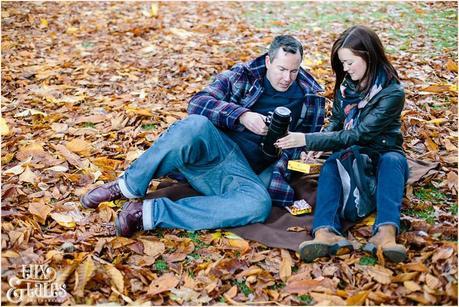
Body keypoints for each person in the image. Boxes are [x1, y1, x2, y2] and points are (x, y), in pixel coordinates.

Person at [80, 35, 325, 237]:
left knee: (257, 205)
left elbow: (304, 148)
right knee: (194, 125)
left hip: (241, 173)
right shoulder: (244, 74)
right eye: (282, 69)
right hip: (212, 147)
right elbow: (198, 103)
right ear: (269, 61)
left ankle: (146, 213)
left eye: (294, 71)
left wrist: (300, 148)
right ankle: (126, 186)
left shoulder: (309, 97)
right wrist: (242, 116)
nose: (287, 78)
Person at [276, 26, 409, 263]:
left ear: (367, 55)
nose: (345, 69)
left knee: (393, 161)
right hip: (353, 153)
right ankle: (324, 233)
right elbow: (337, 121)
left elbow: (359, 134)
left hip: (382, 151)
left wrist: (307, 139)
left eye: (349, 62)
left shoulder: (392, 93)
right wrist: (319, 146)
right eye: (342, 63)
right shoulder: (347, 85)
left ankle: (386, 235)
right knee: (332, 164)